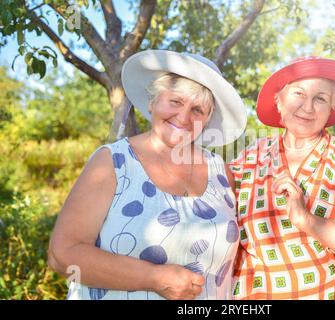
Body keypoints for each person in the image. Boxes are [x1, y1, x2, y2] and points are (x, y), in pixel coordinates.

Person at [47, 50, 247, 300]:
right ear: (152, 102)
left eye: (198, 110)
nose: (184, 117)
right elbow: (63, 254)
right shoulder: (112, 162)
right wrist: (154, 278)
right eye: (175, 102)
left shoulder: (222, 172)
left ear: (207, 120)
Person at [230, 56, 335, 300]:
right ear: (278, 101)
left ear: (332, 107)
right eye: (298, 94)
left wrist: (307, 220)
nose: (308, 107)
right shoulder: (248, 158)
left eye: (320, 98)